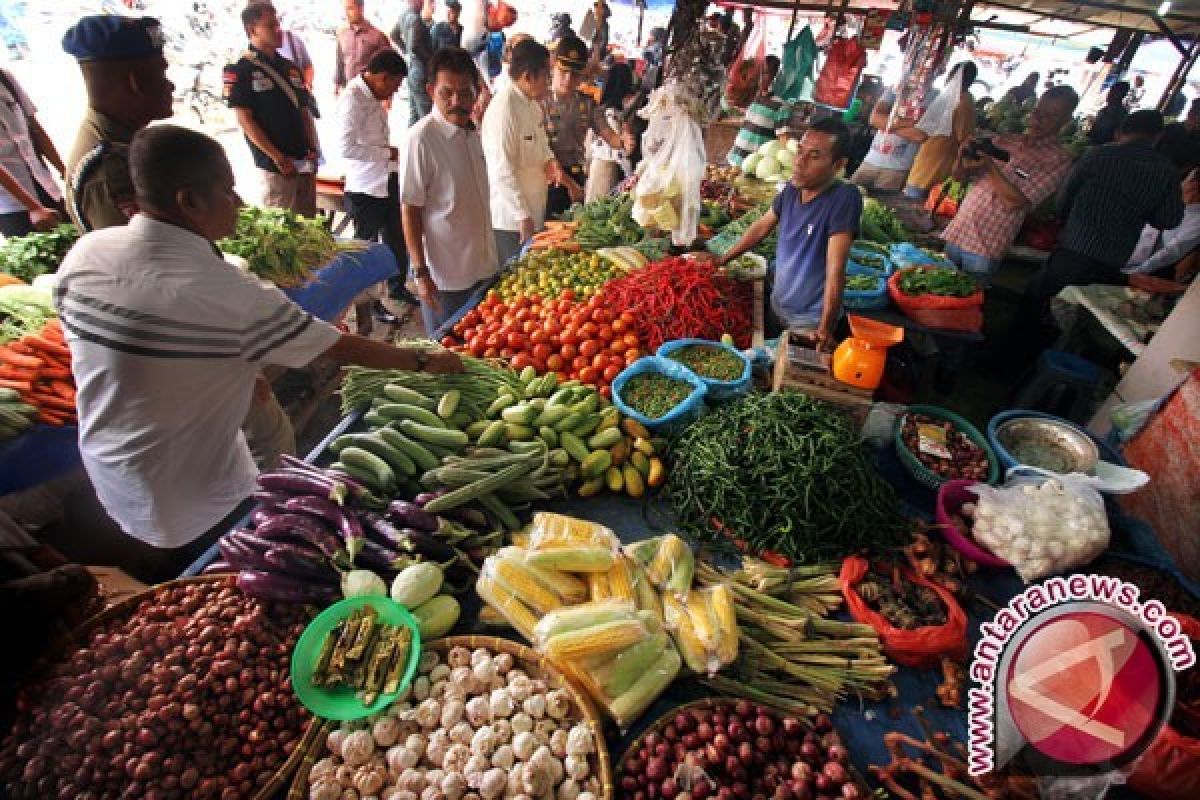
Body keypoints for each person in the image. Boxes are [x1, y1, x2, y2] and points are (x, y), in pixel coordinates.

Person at [54, 125, 462, 584]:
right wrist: (425, 360)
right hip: (195, 502)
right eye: (227, 191)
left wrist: (233, 370)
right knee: (225, 584)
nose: (239, 202)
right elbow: (336, 345)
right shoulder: (225, 291)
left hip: (110, 478)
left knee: (167, 585)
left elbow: (123, 353)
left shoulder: (85, 254)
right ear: (188, 201)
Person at [714, 118, 862, 349]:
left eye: (814, 156)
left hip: (809, 322)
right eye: (800, 151)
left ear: (838, 164)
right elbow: (761, 228)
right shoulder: (792, 190)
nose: (800, 162)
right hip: (778, 304)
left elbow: (836, 270)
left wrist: (825, 328)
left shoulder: (844, 198)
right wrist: (722, 260)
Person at [1030, 110, 1183, 305]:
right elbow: (1169, 220)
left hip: (1073, 247)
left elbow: (1062, 200)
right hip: (1112, 260)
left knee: (1039, 304)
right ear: (1158, 136)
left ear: (1120, 132)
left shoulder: (1097, 154)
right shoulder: (1167, 171)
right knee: (1078, 312)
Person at [401, 47, 499, 335]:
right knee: (446, 356)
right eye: (447, 93)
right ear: (431, 91)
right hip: (447, 278)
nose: (457, 102)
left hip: (483, 267)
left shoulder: (471, 134)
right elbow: (410, 208)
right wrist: (420, 272)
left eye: (466, 93)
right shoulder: (422, 139)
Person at [940, 86, 1081, 286]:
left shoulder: (1058, 159)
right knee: (934, 288)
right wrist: (962, 154)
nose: (1039, 119)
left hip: (986, 246)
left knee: (962, 302)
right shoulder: (1005, 141)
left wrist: (990, 166)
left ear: (1066, 121)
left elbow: (1016, 202)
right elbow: (959, 177)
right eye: (1038, 112)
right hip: (959, 230)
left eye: (1050, 116)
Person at [61, 15, 174, 232]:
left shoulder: (127, 139)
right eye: (162, 74)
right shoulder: (107, 173)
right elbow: (141, 260)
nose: (171, 86)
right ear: (136, 82)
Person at [338, 49, 411, 334]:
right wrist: (384, 153)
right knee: (365, 250)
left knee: (395, 238)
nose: (396, 90)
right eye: (394, 84)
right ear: (382, 78)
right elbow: (346, 147)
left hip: (385, 179)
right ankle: (371, 304)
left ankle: (397, 288)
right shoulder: (353, 100)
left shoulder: (372, 97)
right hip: (365, 187)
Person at [225, 2, 321, 216]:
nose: (278, 30)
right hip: (276, 167)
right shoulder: (241, 69)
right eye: (271, 26)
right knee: (283, 229)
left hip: (303, 161)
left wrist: (313, 149)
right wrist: (277, 157)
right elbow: (245, 119)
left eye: (278, 24)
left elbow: (303, 111)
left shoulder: (290, 67)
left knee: (311, 231)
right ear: (252, 30)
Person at [481, 39, 563, 266]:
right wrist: (521, 215)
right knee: (513, 280)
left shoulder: (532, 105)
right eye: (546, 75)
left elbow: (540, 142)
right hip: (512, 221)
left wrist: (550, 160)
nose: (549, 82)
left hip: (533, 210)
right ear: (528, 76)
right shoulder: (504, 110)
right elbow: (501, 170)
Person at [542, 36, 620, 217]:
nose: (568, 79)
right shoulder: (540, 101)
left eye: (575, 74)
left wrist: (623, 140)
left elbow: (608, 134)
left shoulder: (586, 104)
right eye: (563, 72)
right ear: (553, 67)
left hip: (575, 176)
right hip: (548, 179)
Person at [0, 66, 66, 237]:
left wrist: (65, 172)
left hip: (46, 187)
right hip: (13, 207)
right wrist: (33, 207)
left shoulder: (5, 78)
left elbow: (35, 129)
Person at [903, 62, 978, 200]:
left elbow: (965, 140)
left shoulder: (964, 103)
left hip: (935, 171)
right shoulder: (950, 98)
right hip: (924, 166)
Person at [1124, 169, 1200, 285]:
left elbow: (1170, 252)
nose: (1182, 182)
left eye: (1187, 179)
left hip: (1139, 268)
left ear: (1193, 186)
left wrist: (1135, 273)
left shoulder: (1197, 222)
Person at [850, 89, 922, 193]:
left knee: (881, 206)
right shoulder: (894, 90)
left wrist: (886, 123)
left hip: (897, 170)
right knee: (848, 198)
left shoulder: (934, 97)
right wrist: (912, 122)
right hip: (869, 162)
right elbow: (874, 119)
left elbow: (919, 135)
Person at [586, 62, 636, 201]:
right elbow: (618, 152)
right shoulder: (612, 113)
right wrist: (630, 175)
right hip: (606, 169)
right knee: (599, 208)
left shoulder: (602, 110)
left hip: (598, 167)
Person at [334, 0, 392, 96]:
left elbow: (389, 69)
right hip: (348, 91)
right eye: (345, 9)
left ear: (361, 8)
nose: (347, 13)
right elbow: (340, 63)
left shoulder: (377, 37)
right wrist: (336, 86)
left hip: (371, 93)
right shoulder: (342, 34)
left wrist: (388, 97)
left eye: (350, 8)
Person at [392, 0, 435, 125]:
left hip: (412, 69)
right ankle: (427, 141)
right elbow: (415, 46)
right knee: (425, 112)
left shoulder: (403, 15)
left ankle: (411, 142)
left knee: (414, 112)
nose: (422, 4)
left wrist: (406, 51)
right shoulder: (415, 19)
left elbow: (394, 34)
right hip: (421, 71)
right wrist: (430, 62)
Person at [1088, 80, 1129, 146]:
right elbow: (1092, 132)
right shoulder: (1103, 110)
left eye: (1113, 92)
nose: (1109, 95)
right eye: (1110, 91)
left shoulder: (1122, 115)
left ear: (1121, 95)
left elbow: (1117, 139)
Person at [278, 24, 314, 89]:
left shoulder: (293, 39)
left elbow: (308, 66)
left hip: (299, 92)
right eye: (270, 25)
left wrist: (308, 84)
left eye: (276, 24)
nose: (276, 29)